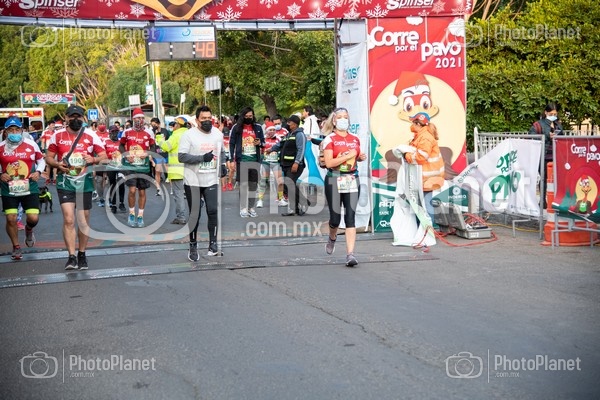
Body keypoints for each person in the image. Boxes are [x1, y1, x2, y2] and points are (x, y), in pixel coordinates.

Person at [45, 105, 107, 270]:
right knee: (69, 219)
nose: (75, 119)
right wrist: (57, 164)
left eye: (78, 117)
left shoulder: (91, 135)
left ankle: (82, 254)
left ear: (83, 118)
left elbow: (104, 155)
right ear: (66, 118)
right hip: (65, 181)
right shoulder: (57, 136)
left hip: (84, 182)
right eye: (72, 116)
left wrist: (93, 159)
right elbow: (48, 157)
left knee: (83, 220)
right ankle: (71, 256)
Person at [321, 107, 367, 267]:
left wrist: (359, 158)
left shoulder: (355, 138)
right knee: (335, 219)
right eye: (339, 117)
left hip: (352, 178)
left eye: (345, 117)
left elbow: (355, 158)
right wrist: (349, 155)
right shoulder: (330, 139)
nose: (343, 120)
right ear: (334, 121)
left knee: (350, 217)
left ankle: (350, 254)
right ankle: (332, 237)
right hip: (334, 179)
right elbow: (329, 163)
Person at [178, 105, 224, 260]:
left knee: (213, 210)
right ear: (197, 120)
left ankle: (213, 244)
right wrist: (201, 158)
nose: (207, 121)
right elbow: (181, 157)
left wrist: (223, 165)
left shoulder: (217, 134)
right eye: (203, 118)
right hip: (193, 180)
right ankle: (193, 245)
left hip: (211, 179)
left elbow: (221, 152)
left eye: (209, 118)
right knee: (195, 214)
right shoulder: (189, 135)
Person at [0, 116, 46, 260]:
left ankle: (29, 229)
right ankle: (16, 247)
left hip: (29, 186)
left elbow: (41, 160)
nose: (14, 132)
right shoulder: (1, 147)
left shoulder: (31, 144)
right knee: (11, 218)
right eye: (11, 130)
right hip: (9, 188)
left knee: (33, 218)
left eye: (17, 129)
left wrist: (38, 172)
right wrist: (1, 174)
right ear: (6, 132)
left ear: (22, 130)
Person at [401, 112, 445, 222]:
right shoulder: (421, 136)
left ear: (418, 124)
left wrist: (406, 155)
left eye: (413, 123)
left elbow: (421, 157)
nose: (411, 125)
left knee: (425, 206)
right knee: (421, 206)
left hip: (426, 179)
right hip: (424, 178)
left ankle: (428, 230)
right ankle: (424, 230)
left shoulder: (425, 138)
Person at [119, 107, 156, 228]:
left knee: (142, 191)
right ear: (133, 119)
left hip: (143, 166)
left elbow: (153, 147)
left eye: (142, 118)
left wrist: (147, 153)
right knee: (132, 190)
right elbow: (121, 146)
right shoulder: (127, 132)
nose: (140, 120)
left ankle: (140, 216)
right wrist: (126, 155)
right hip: (130, 165)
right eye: (137, 118)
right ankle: (131, 214)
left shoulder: (149, 132)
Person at [267, 114, 307, 216]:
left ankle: (300, 204)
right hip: (286, 165)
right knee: (288, 185)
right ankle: (296, 208)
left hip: (295, 165)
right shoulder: (289, 134)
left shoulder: (299, 135)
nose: (288, 124)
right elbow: (280, 144)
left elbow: (301, 149)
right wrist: (271, 149)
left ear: (295, 124)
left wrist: (296, 162)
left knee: (289, 184)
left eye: (290, 123)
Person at [229, 107, 264, 218]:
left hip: (254, 160)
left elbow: (263, 142)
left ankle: (251, 208)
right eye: (246, 116)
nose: (249, 118)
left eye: (250, 116)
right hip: (242, 160)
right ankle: (243, 208)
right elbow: (231, 144)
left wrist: (259, 143)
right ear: (242, 116)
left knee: (253, 186)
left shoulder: (258, 127)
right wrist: (231, 159)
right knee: (243, 185)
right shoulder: (236, 127)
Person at [529, 102, 563, 208]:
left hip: (556, 155)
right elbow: (532, 136)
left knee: (556, 179)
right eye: (551, 114)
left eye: (555, 114)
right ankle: (543, 201)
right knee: (544, 178)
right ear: (546, 112)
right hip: (543, 155)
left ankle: (556, 201)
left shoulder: (558, 124)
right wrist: (547, 135)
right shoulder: (538, 124)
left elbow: (562, 136)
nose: (553, 116)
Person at [157, 116, 187, 224]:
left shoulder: (176, 135)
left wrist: (159, 138)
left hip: (177, 170)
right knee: (191, 193)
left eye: (174, 124)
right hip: (190, 169)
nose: (173, 126)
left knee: (178, 194)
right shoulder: (189, 134)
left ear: (177, 125)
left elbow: (166, 147)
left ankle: (181, 217)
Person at [257, 122, 284, 208]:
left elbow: (282, 148)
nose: (272, 131)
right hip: (266, 162)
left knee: (280, 182)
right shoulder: (263, 139)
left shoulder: (279, 138)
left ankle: (280, 199)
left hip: (276, 162)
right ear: (266, 131)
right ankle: (260, 200)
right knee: (263, 181)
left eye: (273, 130)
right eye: (270, 130)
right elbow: (259, 149)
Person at [103, 125, 126, 214]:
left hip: (120, 166)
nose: (114, 134)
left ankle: (121, 203)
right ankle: (113, 204)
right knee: (113, 184)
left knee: (121, 183)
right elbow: (102, 154)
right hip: (110, 166)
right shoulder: (105, 142)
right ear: (109, 133)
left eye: (116, 132)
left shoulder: (121, 142)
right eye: (112, 132)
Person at [151, 117, 169, 196]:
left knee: (168, 171)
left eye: (155, 125)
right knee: (157, 171)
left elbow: (168, 141)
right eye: (152, 125)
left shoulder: (165, 131)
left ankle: (173, 189)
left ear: (159, 124)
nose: (154, 126)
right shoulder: (152, 132)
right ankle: (158, 189)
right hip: (157, 154)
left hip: (165, 153)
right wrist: (154, 134)